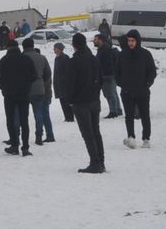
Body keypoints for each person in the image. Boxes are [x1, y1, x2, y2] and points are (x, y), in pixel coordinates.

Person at [68, 33, 106, 173]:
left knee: (88, 134)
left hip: (80, 102)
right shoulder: (94, 59)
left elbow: (70, 83)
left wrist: (70, 99)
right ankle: (101, 162)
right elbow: (101, 79)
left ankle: (95, 163)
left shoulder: (74, 61)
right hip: (94, 100)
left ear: (74, 45)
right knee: (96, 132)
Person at [115, 29, 156, 149]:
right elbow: (116, 72)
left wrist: (147, 83)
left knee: (145, 115)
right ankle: (131, 137)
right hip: (127, 92)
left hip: (142, 91)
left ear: (137, 41)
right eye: (129, 40)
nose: (130, 43)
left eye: (133, 40)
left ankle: (146, 139)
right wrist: (122, 84)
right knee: (129, 116)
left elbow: (152, 71)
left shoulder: (146, 54)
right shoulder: (122, 55)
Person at [0, 40, 36, 156]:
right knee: (24, 120)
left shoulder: (3, 61)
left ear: (7, 48)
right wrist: (27, 85)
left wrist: (3, 88)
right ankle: (25, 147)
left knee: (10, 120)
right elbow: (33, 75)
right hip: (24, 93)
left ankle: (14, 145)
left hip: (9, 94)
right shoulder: (26, 59)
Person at [22, 37, 54, 144]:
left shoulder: (22, 57)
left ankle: (21, 137)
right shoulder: (42, 57)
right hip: (39, 88)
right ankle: (39, 136)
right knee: (38, 113)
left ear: (23, 46)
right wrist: (41, 82)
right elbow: (48, 73)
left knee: (22, 114)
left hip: (24, 89)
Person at [93, 33, 123, 118]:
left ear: (100, 40)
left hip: (107, 76)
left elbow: (106, 64)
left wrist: (104, 75)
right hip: (109, 75)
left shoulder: (105, 50)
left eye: (95, 39)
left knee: (109, 94)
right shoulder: (103, 49)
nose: (93, 41)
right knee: (113, 92)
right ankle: (117, 110)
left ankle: (113, 111)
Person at [52, 42, 75, 122]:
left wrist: (65, 81)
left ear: (59, 49)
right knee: (62, 100)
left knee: (66, 101)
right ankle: (67, 116)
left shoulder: (65, 58)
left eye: (55, 48)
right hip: (59, 83)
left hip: (64, 84)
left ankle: (70, 116)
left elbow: (68, 72)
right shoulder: (57, 58)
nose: (54, 50)